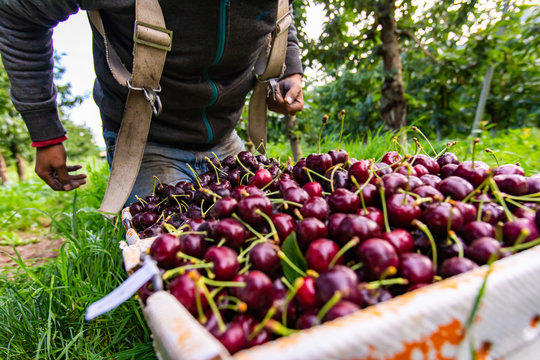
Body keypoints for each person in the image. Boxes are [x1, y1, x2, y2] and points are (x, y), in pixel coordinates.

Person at [0, 1, 304, 204]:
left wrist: (290, 67)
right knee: (176, 258)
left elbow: (282, 12)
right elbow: (17, 15)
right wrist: (45, 131)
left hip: (225, 137)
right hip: (146, 140)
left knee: (276, 220)